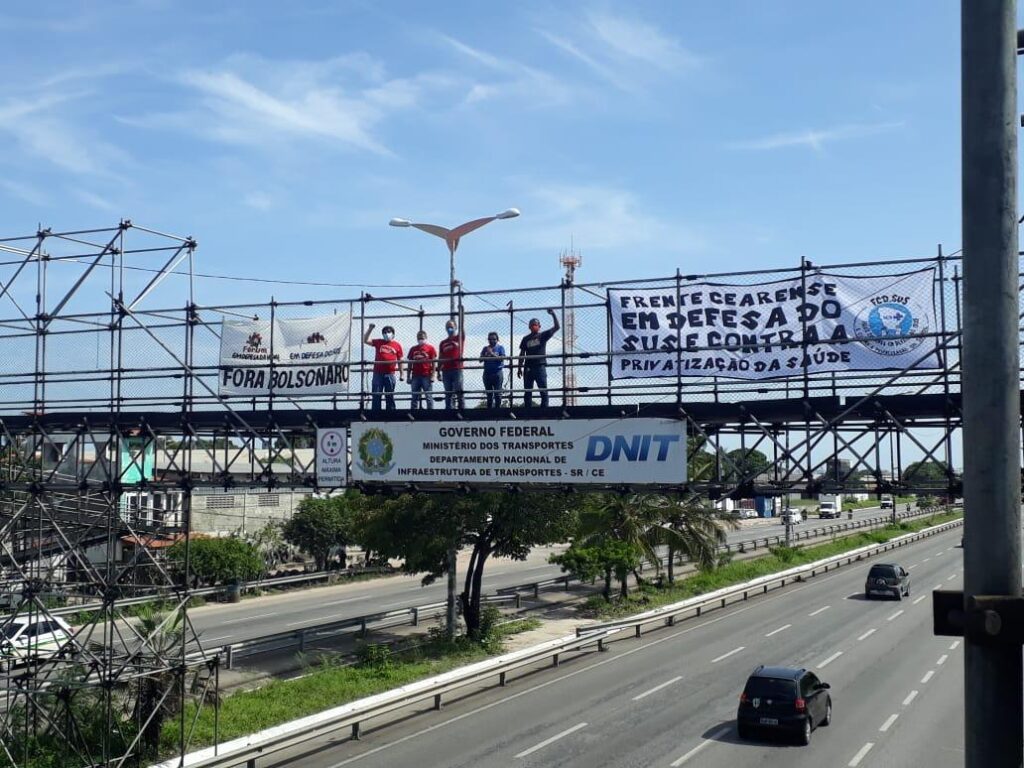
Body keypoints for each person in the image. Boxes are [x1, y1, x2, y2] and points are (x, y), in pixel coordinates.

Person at [517, 309, 560, 407]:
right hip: (528, 367)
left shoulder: (543, 336)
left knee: (543, 390)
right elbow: (522, 353)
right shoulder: (526, 339)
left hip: (540, 366)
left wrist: (553, 314)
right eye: (532, 324)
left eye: (535, 324)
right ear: (529, 327)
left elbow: (557, 327)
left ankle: (544, 410)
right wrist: (519, 367)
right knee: (527, 391)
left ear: (539, 326)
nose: (533, 326)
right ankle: (528, 411)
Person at [362, 323, 403, 410]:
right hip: (378, 373)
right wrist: (370, 329)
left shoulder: (397, 345)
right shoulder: (379, 342)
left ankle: (391, 414)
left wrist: (402, 373)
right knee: (376, 394)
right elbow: (365, 340)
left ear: (393, 334)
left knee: (389, 395)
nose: (386, 334)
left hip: (390, 374)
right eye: (384, 332)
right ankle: (376, 414)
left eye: (388, 332)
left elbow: (400, 360)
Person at [437, 308, 465, 410]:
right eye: (448, 327)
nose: (450, 329)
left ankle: (462, 410)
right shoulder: (443, 343)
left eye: (451, 327)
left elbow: (462, 326)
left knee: (459, 390)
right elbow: (440, 357)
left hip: (457, 368)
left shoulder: (459, 338)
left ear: (455, 327)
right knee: (448, 392)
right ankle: (449, 410)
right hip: (446, 370)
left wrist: (461, 313)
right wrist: (438, 370)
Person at [406, 329, 437, 410]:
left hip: (426, 375)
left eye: (422, 338)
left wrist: (433, 375)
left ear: (426, 338)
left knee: (428, 396)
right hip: (415, 375)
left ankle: (430, 413)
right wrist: (408, 377)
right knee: (414, 397)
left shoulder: (430, 348)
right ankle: (413, 413)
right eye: (419, 338)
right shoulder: (413, 349)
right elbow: (410, 363)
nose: (421, 339)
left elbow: (434, 363)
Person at [480, 331, 506, 408]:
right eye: (490, 339)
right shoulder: (485, 348)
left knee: (497, 394)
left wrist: (492, 354)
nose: (492, 341)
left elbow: (502, 359)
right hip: (487, 373)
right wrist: (485, 355)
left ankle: (497, 410)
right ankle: (489, 412)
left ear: (497, 339)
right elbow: (480, 360)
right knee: (489, 394)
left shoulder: (500, 348)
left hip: (497, 373)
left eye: (494, 339)